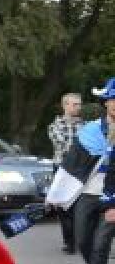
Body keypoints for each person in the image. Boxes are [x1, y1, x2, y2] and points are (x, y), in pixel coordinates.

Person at [71, 80, 115, 264]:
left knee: (101, 243)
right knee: (82, 240)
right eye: (113, 99)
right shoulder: (89, 131)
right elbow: (72, 162)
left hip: (113, 195)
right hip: (87, 192)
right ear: (105, 102)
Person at [48, 93, 84, 253]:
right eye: (74, 104)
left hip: (81, 169)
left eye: (79, 104)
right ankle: (69, 241)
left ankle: (78, 240)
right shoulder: (55, 126)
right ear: (65, 106)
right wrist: (82, 144)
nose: (78, 107)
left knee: (80, 204)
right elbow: (66, 147)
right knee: (63, 205)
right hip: (62, 168)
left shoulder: (86, 125)